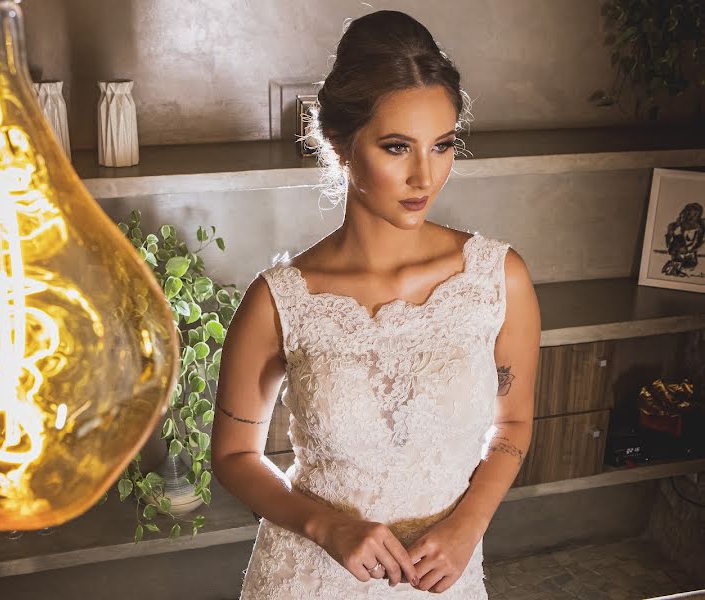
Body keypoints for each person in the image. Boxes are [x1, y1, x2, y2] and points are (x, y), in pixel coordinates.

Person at [211, 10, 541, 598]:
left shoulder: (498, 279)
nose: (425, 175)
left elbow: (513, 422)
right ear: (339, 143)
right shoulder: (279, 300)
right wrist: (327, 525)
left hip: (445, 578)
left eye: (442, 146)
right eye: (397, 147)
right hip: (310, 577)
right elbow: (235, 455)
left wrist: (469, 525)